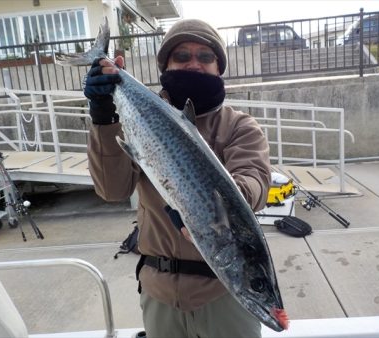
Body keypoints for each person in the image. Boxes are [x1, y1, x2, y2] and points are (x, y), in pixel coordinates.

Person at [84, 19, 271, 338]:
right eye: (182, 56)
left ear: (218, 67)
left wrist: (200, 207)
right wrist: (103, 117)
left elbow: (254, 185)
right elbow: (113, 191)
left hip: (223, 296)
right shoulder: (140, 120)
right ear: (166, 64)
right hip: (160, 296)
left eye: (205, 56)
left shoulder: (240, 126)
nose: (194, 64)